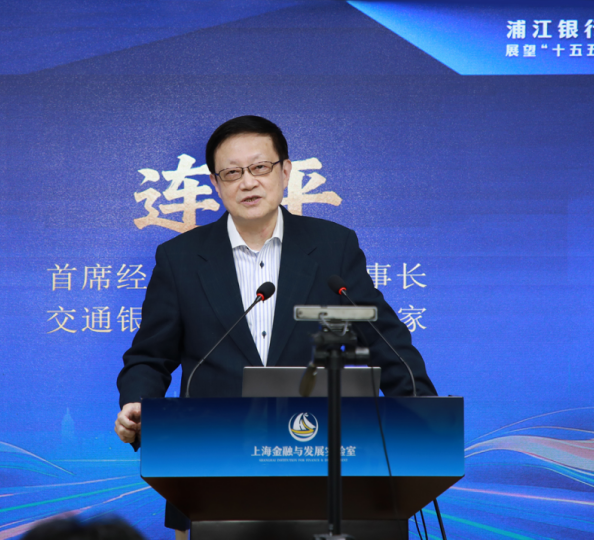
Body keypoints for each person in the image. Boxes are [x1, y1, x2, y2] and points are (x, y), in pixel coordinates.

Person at [115, 115, 436, 538]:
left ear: (285, 172)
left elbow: (385, 340)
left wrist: (422, 416)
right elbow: (149, 356)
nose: (247, 182)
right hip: (212, 470)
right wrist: (138, 405)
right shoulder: (180, 259)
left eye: (260, 167)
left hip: (323, 463)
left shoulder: (332, 247)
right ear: (216, 184)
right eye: (232, 173)